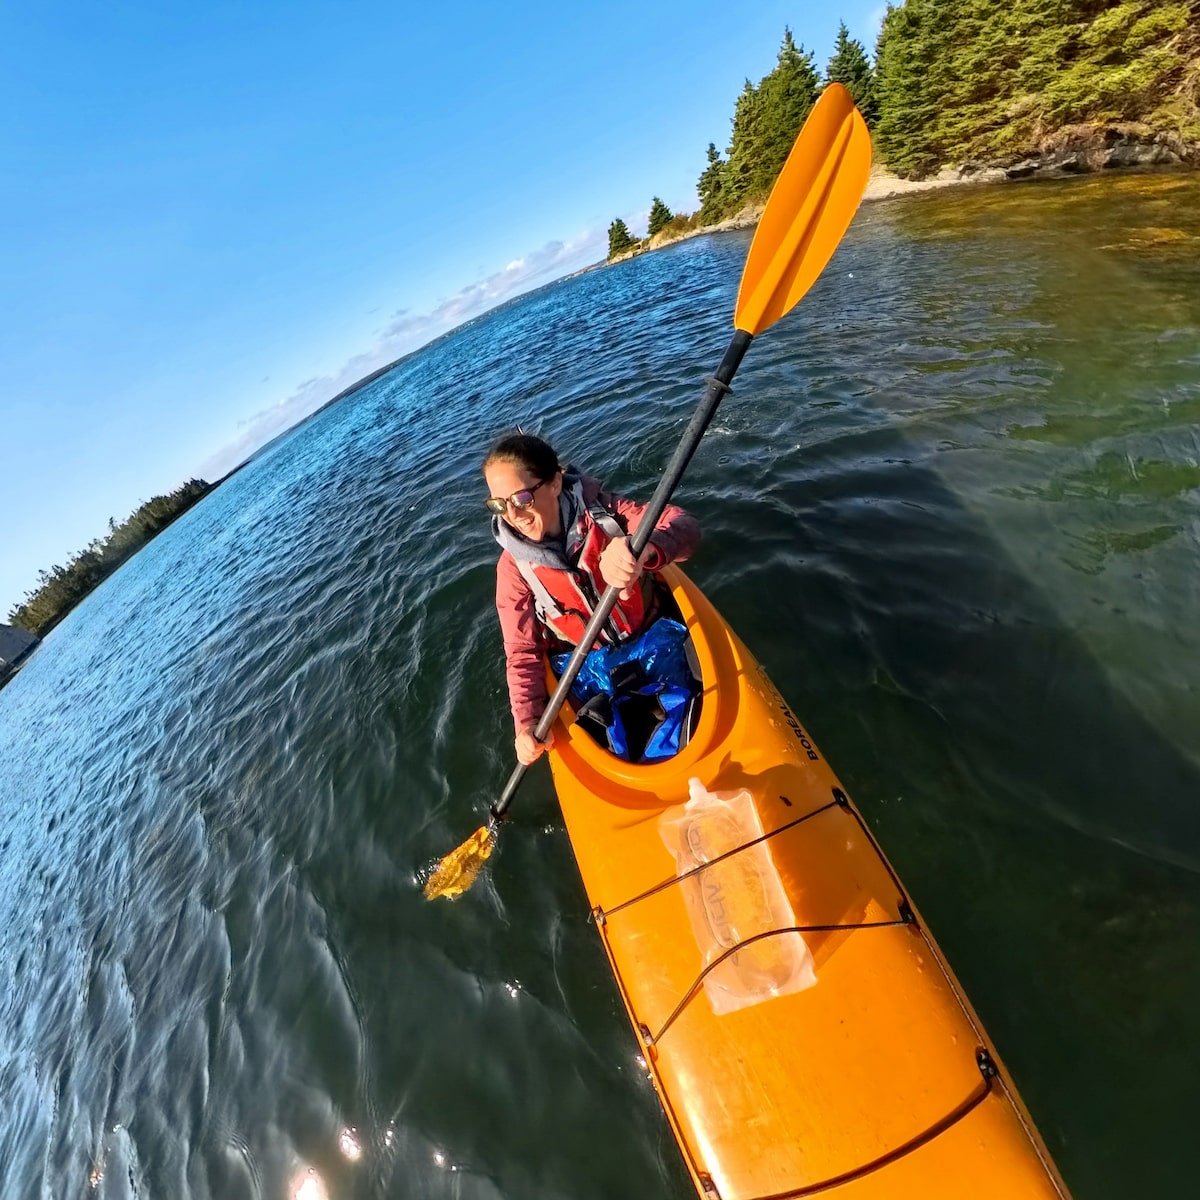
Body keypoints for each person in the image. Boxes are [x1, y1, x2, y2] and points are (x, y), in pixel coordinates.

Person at [483, 431, 701, 765]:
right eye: (499, 504)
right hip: (584, 666)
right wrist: (526, 723)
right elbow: (522, 651)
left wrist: (644, 550)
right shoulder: (513, 570)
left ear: (555, 483)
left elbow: (684, 526)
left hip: (651, 636)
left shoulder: (607, 514)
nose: (512, 514)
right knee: (612, 737)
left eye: (522, 498)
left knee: (688, 715)